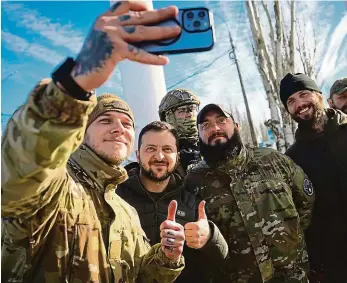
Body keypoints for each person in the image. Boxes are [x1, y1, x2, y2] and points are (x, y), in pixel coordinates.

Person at [1, 2, 187, 282]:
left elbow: (139, 276)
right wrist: (76, 83)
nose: (118, 129)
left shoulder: (126, 211)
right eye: (105, 121)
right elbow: (23, 164)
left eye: (127, 124)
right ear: (83, 132)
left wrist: (167, 257)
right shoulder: (56, 187)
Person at [183, 103, 315, 282]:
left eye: (222, 120)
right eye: (205, 125)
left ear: (236, 126)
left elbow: (306, 203)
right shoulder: (194, 181)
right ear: (199, 135)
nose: (215, 128)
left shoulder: (274, 160)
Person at [117, 121, 228, 283]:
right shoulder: (116, 197)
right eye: (151, 149)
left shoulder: (194, 198)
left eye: (167, 149)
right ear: (138, 154)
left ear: (177, 157)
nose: (159, 156)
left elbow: (221, 261)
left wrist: (210, 237)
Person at [280, 72, 347, 283]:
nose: (300, 104)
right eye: (291, 101)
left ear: (318, 95)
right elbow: (301, 215)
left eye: (303, 94)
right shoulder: (292, 158)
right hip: (335, 261)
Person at [158, 88, 201, 175]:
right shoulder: (161, 153)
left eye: (192, 109)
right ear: (168, 117)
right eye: (182, 110)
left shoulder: (210, 142)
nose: (190, 114)